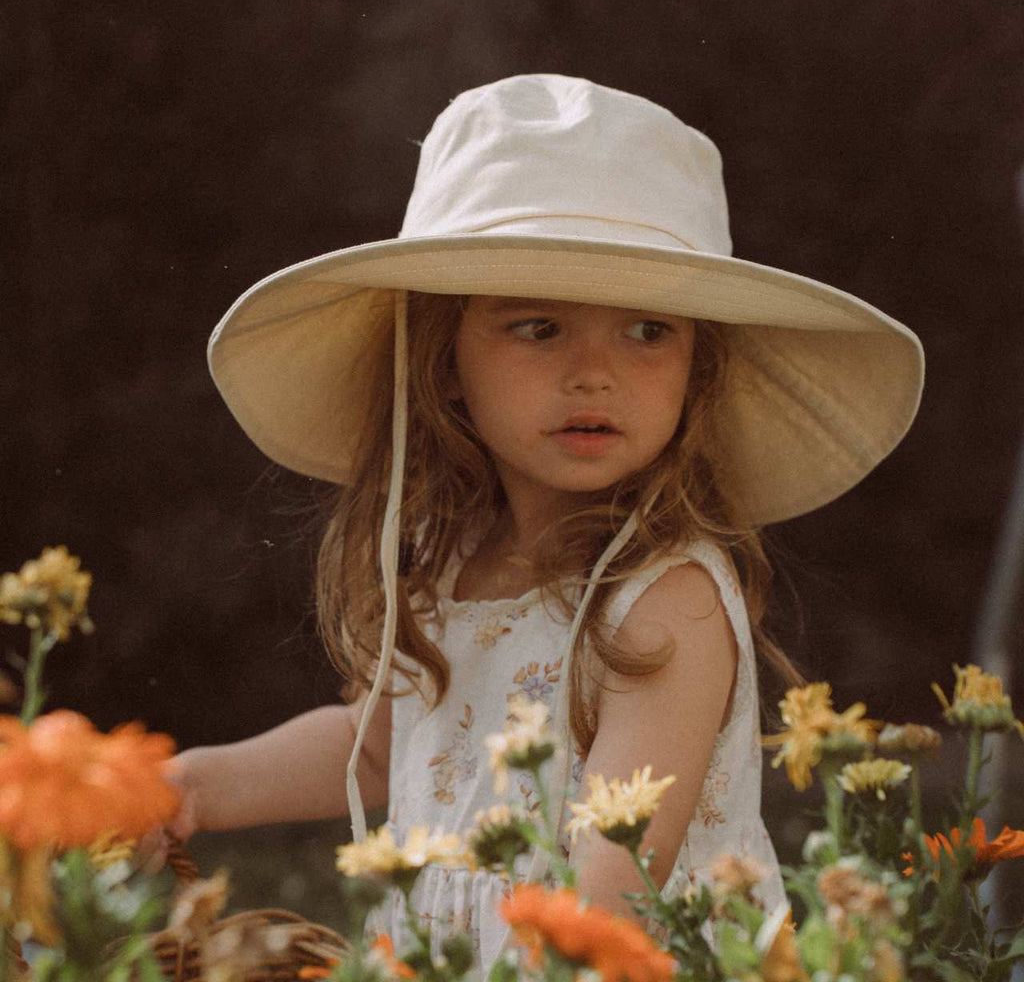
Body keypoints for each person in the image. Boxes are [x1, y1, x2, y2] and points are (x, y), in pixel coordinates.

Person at [172, 74, 924, 967]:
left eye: (648, 331)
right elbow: (385, 748)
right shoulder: (446, 559)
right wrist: (192, 787)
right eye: (538, 327)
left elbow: (607, 909)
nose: (595, 373)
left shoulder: (661, 602)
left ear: (699, 369)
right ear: (445, 360)